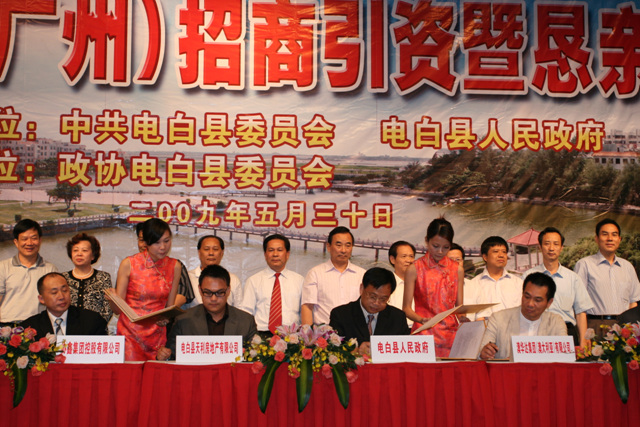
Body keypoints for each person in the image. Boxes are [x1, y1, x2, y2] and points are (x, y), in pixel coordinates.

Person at [157, 265, 257, 361]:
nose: (213, 298)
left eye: (219, 293)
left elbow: (253, 360)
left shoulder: (246, 322)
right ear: (200, 290)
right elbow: (172, 356)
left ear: (228, 291)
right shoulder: (183, 320)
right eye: (208, 293)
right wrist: (164, 356)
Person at [114, 218, 181, 361]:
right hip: (130, 333)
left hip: (157, 335)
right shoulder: (129, 264)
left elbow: (169, 307)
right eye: (157, 242)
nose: (163, 247)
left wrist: (165, 318)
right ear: (146, 243)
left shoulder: (174, 266)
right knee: (131, 373)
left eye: (166, 241)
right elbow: (118, 308)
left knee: (154, 374)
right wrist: (112, 298)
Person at [403, 217, 464, 358]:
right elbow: (406, 308)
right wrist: (421, 320)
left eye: (446, 247)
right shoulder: (415, 268)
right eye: (435, 246)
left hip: (450, 336)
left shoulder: (457, 269)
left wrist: (463, 319)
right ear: (427, 240)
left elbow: (459, 308)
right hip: (424, 333)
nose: (440, 251)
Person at [523, 227, 593, 346]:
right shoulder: (527, 276)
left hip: (566, 331)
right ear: (540, 247)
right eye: (547, 244)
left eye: (556, 244)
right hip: (535, 331)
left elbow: (581, 312)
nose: (551, 248)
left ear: (561, 248)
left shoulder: (573, 278)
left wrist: (583, 340)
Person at [574, 219, 640, 335]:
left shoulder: (627, 267)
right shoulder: (584, 265)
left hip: (625, 327)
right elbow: (579, 305)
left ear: (619, 239)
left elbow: (633, 301)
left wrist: (631, 329)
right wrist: (584, 336)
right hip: (596, 326)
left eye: (614, 235)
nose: (610, 238)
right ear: (597, 239)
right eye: (605, 234)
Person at [479, 272, 567, 360]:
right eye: (527, 297)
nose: (530, 304)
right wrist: (484, 353)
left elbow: (564, 356)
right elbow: (481, 354)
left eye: (537, 300)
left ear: (549, 302)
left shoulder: (556, 322)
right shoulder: (498, 318)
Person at [330, 267, 409, 355]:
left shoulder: (398, 318)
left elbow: (405, 350)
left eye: (383, 299)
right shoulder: (341, 315)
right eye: (372, 297)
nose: (376, 303)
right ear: (361, 289)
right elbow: (332, 350)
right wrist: (356, 351)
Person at [239, 234, 303, 335]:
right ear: (265, 254)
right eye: (271, 250)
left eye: (279, 250)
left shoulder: (300, 281)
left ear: (287, 254)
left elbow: (304, 312)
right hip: (261, 335)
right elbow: (246, 312)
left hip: (292, 336)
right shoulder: (253, 280)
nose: (275, 254)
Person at [301, 226, 366, 325]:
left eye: (348, 245)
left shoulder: (362, 274)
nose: (343, 250)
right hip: (325, 332)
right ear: (328, 246)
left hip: (354, 331)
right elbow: (307, 307)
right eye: (338, 245)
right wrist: (308, 333)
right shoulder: (315, 273)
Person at [0, 219, 57, 325]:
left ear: (40, 240)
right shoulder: (2, 267)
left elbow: (54, 302)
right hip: (7, 325)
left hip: (38, 325)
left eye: (34, 238)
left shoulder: (50, 269)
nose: (29, 243)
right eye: (24, 239)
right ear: (16, 242)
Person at [21, 272, 107, 340]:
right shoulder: (30, 327)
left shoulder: (92, 321)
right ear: (41, 299)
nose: (61, 297)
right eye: (54, 292)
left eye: (65, 290)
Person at [136, 223, 194, 308]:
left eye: (154, 240)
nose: (146, 244)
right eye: (142, 240)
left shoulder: (175, 266)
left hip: (167, 315)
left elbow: (181, 297)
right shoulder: (130, 265)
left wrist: (158, 313)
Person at [464, 236, 522, 321]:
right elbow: (471, 316)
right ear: (485, 257)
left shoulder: (518, 283)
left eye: (504, 252)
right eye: (496, 251)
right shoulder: (474, 284)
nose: (501, 255)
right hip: (485, 328)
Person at [61, 233, 114, 323]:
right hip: (68, 329)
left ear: (93, 255)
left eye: (84, 250)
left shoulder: (103, 277)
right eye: (75, 250)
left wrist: (93, 327)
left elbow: (108, 309)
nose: (79, 254)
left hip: (96, 329)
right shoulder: (62, 278)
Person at [187, 235, 242, 308]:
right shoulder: (188, 278)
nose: (211, 253)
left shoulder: (233, 279)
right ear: (199, 252)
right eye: (206, 249)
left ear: (222, 253)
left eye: (215, 249)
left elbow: (238, 309)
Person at [387, 241, 416, 326]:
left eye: (411, 256)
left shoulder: (421, 283)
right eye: (404, 256)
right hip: (393, 329)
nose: (408, 260)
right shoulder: (386, 283)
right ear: (392, 259)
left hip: (418, 330)